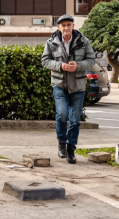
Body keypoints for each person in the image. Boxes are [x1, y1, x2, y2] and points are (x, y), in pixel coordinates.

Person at [41, 14, 97, 163]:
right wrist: (60, 66)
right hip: (59, 84)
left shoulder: (84, 42)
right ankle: (61, 144)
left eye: (69, 25)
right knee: (62, 114)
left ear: (73, 26)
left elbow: (91, 60)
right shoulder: (51, 42)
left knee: (75, 120)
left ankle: (71, 149)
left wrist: (78, 66)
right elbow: (45, 60)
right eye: (63, 25)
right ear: (58, 27)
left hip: (78, 86)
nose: (66, 28)